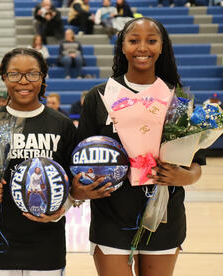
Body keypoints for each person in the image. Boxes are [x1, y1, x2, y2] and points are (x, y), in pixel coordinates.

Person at [71, 17, 204, 276]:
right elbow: (79, 159)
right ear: (122, 46)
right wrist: (79, 189)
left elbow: (197, 164)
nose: (142, 48)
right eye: (134, 41)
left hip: (163, 216)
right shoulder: (99, 96)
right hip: (110, 214)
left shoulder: (177, 97)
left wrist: (185, 176)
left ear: (162, 47)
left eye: (151, 41)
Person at [0, 48, 77, 275]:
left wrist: (61, 209)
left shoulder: (62, 125)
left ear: (43, 77)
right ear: (4, 77)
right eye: (15, 74)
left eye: (32, 74)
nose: (23, 81)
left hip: (47, 246)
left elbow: (73, 182)